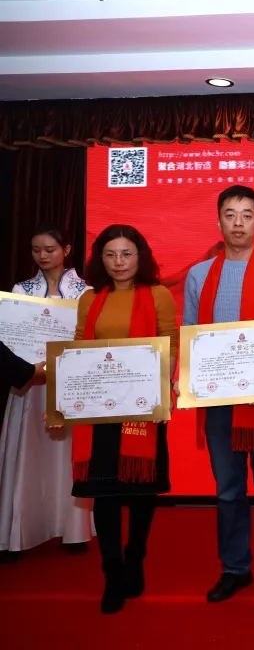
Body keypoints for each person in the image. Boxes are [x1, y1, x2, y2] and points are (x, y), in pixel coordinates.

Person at [182, 185, 254, 602]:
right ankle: (234, 568)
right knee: (228, 488)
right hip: (218, 400)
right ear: (218, 221)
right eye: (230, 214)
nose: (238, 223)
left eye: (247, 215)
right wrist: (187, 379)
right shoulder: (199, 275)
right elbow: (191, 335)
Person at [71, 224, 178, 613]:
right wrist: (66, 400)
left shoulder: (158, 294)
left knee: (140, 492)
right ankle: (113, 573)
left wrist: (163, 393)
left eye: (126, 254)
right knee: (105, 495)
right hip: (99, 409)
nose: (119, 262)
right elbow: (79, 347)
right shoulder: (89, 298)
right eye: (110, 255)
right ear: (100, 259)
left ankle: (136, 556)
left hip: (143, 407)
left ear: (140, 256)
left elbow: (170, 343)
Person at [0, 225, 93, 559]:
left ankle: (74, 530)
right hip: (30, 383)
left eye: (50, 249)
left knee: (67, 455)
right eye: (36, 249)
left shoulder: (85, 292)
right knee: (26, 452)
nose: (42, 255)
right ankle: (18, 533)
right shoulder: (20, 290)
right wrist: (30, 367)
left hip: (68, 381)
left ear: (66, 250)